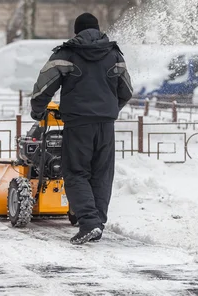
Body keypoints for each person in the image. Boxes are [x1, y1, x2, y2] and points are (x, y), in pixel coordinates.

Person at [30, 12, 133, 244]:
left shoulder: (67, 53)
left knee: (76, 172)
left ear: (76, 31)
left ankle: (89, 222)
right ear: (98, 29)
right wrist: (110, 109)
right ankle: (97, 223)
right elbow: (126, 90)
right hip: (106, 124)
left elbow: (43, 85)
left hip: (78, 123)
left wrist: (37, 109)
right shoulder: (114, 54)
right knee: (102, 174)